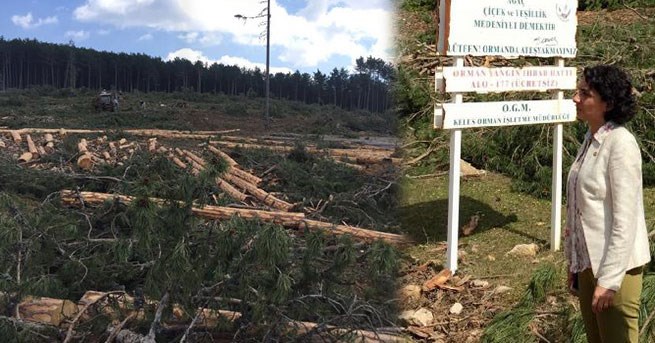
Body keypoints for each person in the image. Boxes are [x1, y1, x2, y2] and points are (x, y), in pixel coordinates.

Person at [565, 64, 651, 343]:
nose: (576, 98)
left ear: (608, 103)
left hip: (617, 271)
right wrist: (575, 264)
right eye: (578, 92)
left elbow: (625, 219)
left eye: (584, 93)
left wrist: (610, 280)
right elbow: (582, 208)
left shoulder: (621, 144)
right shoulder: (591, 139)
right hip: (589, 265)